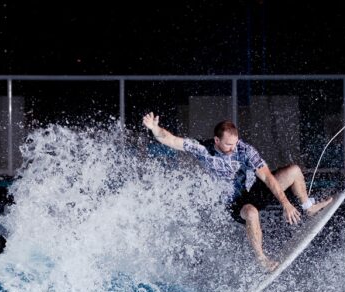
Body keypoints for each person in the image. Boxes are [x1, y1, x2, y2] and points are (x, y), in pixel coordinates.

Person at [142, 113, 332, 271]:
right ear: (217, 140)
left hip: (252, 192)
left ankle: (308, 207)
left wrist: (286, 204)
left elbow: (266, 177)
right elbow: (173, 140)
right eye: (228, 145)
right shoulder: (203, 149)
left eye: (235, 143)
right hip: (234, 203)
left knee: (294, 171)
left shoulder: (244, 150)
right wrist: (154, 128)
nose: (233, 148)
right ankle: (262, 259)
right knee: (251, 212)